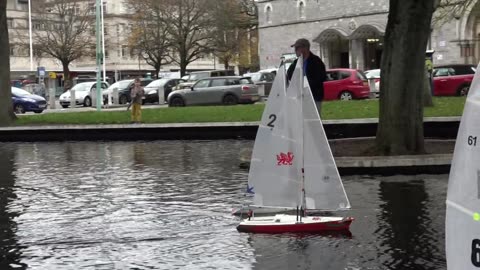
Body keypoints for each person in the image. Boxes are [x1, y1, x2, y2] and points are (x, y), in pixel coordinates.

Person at [287, 38, 327, 115]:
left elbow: (321, 77)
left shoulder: (316, 61)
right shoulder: (296, 62)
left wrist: (306, 85)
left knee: (313, 120)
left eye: (297, 48)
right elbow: (289, 75)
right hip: (299, 98)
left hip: (314, 97)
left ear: (304, 48)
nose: (295, 51)